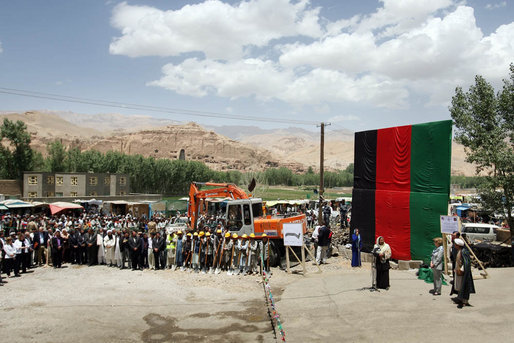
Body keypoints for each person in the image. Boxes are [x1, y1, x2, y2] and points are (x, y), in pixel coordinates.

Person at [451, 238, 476, 308]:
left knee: (464, 286)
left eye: (455, 244)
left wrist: (461, 270)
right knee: (459, 286)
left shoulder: (464, 252)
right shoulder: (459, 251)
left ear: (458, 245)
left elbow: (466, 263)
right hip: (458, 272)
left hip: (463, 273)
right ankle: (460, 298)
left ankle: (465, 301)